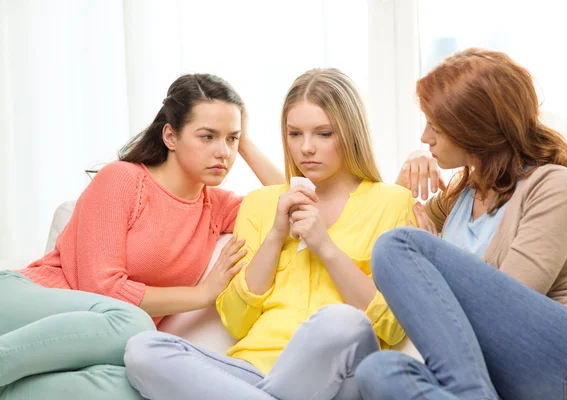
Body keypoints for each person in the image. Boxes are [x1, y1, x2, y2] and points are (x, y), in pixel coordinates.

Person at [124, 68, 417, 400]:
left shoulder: (392, 202)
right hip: (252, 372)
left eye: (324, 134)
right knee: (143, 350)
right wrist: (276, 235)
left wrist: (326, 247)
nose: (306, 148)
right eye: (294, 134)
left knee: (342, 322)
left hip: (343, 372)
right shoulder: (262, 203)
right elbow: (236, 322)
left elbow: (390, 327)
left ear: (350, 134)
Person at [0, 73, 284, 400]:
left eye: (231, 140)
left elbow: (292, 202)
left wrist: (243, 138)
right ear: (170, 136)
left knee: (139, 388)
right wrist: (204, 295)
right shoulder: (122, 179)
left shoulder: (216, 207)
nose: (223, 152)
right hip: (22, 304)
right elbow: (103, 288)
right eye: (207, 137)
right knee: (137, 327)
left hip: (93, 344)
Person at [355, 48, 567, 400]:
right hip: (498, 371)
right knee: (376, 372)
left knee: (397, 246)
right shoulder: (461, 194)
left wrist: (431, 254)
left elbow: (512, 302)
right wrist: (405, 176)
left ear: (475, 128)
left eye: (435, 127)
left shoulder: (555, 185)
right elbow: (392, 244)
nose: (425, 138)